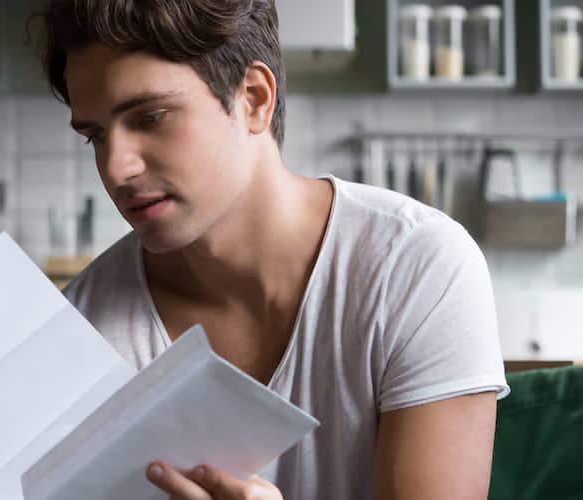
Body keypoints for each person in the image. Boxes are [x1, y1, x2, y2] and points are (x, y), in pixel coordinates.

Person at [36, 1, 509, 498]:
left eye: (150, 117)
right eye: (95, 136)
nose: (116, 168)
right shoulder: (83, 329)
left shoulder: (417, 268)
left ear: (254, 98)